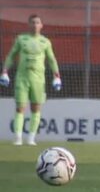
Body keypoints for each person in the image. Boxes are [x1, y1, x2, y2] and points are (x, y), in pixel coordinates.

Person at [1, 14, 61, 146]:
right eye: (32, 22)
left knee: (36, 108)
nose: (35, 25)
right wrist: (5, 71)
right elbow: (11, 55)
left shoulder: (45, 42)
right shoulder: (21, 39)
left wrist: (57, 75)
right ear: (28, 25)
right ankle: (18, 138)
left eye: (37, 22)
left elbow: (51, 59)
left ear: (41, 25)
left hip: (38, 80)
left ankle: (31, 139)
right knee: (20, 107)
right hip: (22, 78)